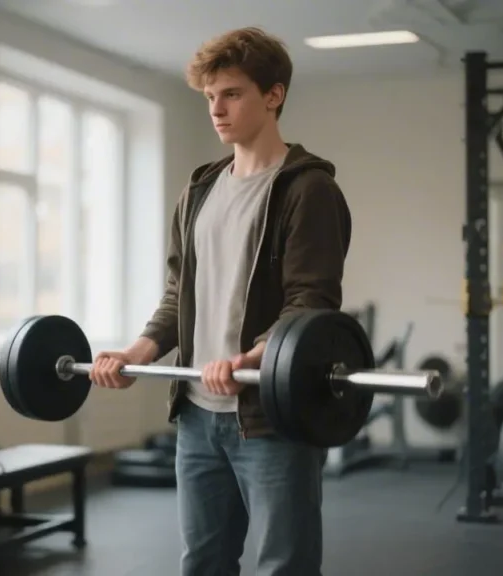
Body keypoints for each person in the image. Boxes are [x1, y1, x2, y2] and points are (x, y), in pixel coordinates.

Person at [88, 27, 352, 576]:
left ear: (274, 95)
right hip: (196, 415)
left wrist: (250, 360)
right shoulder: (199, 191)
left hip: (271, 415)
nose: (216, 109)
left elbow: (310, 302)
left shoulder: (308, 190)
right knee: (204, 563)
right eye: (210, 96)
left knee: (285, 566)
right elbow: (178, 294)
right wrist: (137, 352)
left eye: (231, 93)